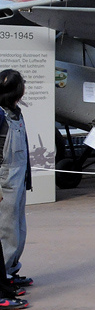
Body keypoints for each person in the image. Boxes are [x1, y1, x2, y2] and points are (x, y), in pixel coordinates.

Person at [0, 70, 32, 291]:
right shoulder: (1, 115)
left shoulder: (16, 113)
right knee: (6, 230)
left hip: (18, 177)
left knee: (19, 228)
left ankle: (11, 270)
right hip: (6, 179)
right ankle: (2, 277)